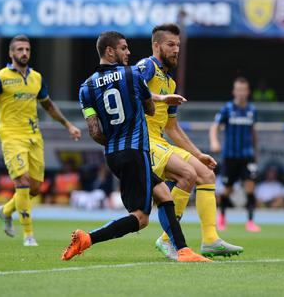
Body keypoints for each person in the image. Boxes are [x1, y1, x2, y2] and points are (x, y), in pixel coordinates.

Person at [61, 31, 210, 263]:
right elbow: (150, 109)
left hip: (113, 154)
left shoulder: (86, 88)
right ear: (110, 51)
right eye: (123, 48)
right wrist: (154, 101)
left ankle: (183, 250)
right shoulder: (131, 75)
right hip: (135, 150)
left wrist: (114, 142)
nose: (128, 52)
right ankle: (87, 238)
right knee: (140, 218)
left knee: (163, 195)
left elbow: (94, 130)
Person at [137, 23, 243, 260]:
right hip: (142, 141)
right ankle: (168, 240)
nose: (176, 50)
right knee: (187, 174)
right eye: (170, 45)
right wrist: (161, 97)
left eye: (178, 45)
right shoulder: (147, 67)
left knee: (206, 173)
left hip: (160, 140)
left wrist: (199, 154)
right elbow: (132, 87)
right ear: (156, 45)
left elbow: (172, 127)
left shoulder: (171, 82)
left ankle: (210, 239)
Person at [0, 35, 81, 246]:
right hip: (12, 136)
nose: (24, 53)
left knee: (35, 188)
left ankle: (5, 211)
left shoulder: (36, 78)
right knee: (21, 182)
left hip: (34, 137)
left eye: (27, 50)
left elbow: (48, 105)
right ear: (11, 53)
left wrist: (68, 125)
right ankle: (28, 235)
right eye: (20, 49)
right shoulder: (0, 78)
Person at [210, 77, 261, 232]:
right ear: (234, 91)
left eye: (243, 90)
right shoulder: (227, 109)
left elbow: (253, 132)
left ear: (247, 92)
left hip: (247, 155)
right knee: (227, 189)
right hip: (230, 156)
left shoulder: (252, 110)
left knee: (250, 187)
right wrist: (214, 142)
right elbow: (214, 127)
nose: (240, 93)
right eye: (238, 89)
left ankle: (250, 222)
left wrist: (255, 151)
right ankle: (222, 217)